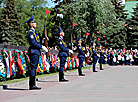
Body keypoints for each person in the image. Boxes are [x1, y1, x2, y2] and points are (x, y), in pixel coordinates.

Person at [25, 15, 48, 90]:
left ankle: (33, 84)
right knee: (33, 68)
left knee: (34, 68)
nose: (35, 23)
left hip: (36, 52)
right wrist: (41, 47)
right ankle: (32, 85)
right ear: (30, 24)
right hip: (33, 51)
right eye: (33, 22)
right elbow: (33, 43)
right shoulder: (31, 33)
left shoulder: (34, 32)